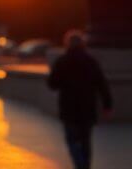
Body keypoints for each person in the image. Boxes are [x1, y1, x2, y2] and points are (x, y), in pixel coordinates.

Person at [48, 30, 113, 169]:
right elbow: (102, 84)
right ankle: (85, 165)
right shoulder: (91, 61)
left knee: (72, 140)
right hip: (87, 108)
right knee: (86, 140)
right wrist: (107, 105)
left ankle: (80, 164)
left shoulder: (62, 61)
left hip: (68, 108)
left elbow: (52, 84)